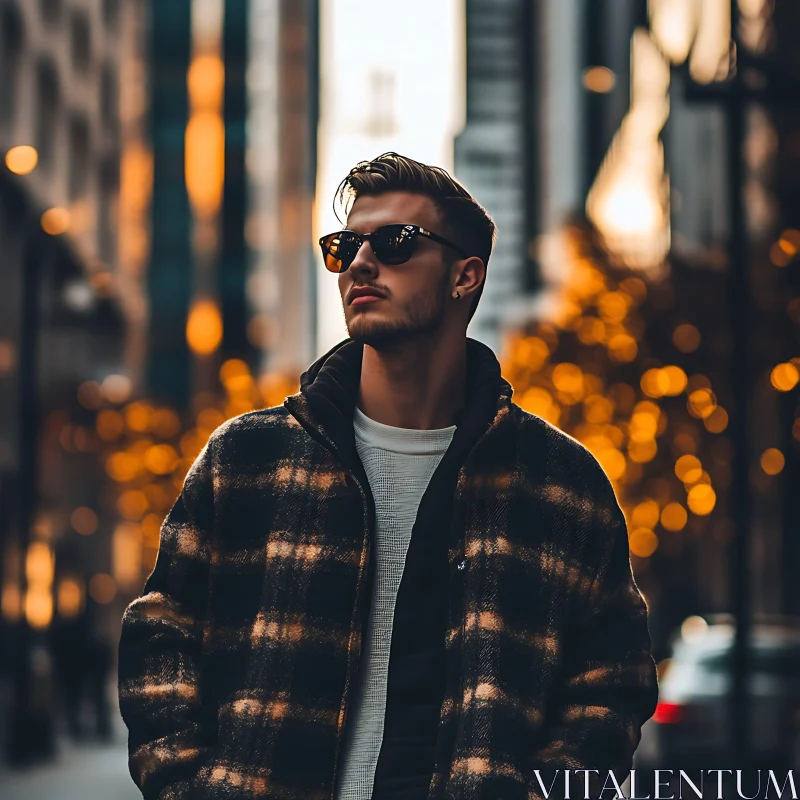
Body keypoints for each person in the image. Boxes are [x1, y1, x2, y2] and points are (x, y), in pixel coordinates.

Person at [119, 152, 658, 800]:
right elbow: (160, 634)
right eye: (345, 246)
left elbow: (612, 680)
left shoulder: (559, 486)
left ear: (466, 276)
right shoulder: (247, 461)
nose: (361, 264)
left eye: (396, 243)